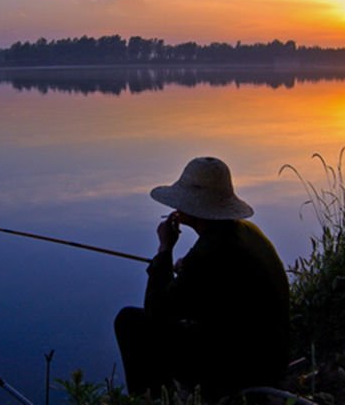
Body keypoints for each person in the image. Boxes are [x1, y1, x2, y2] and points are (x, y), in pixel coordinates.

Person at [114, 157, 290, 401]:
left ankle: (151, 398)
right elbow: (216, 280)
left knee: (130, 322)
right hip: (271, 356)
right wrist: (187, 268)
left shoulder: (211, 253)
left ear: (194, 208)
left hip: (243, 370)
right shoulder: (243, 232)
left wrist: (165, 249)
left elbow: (157, 312)